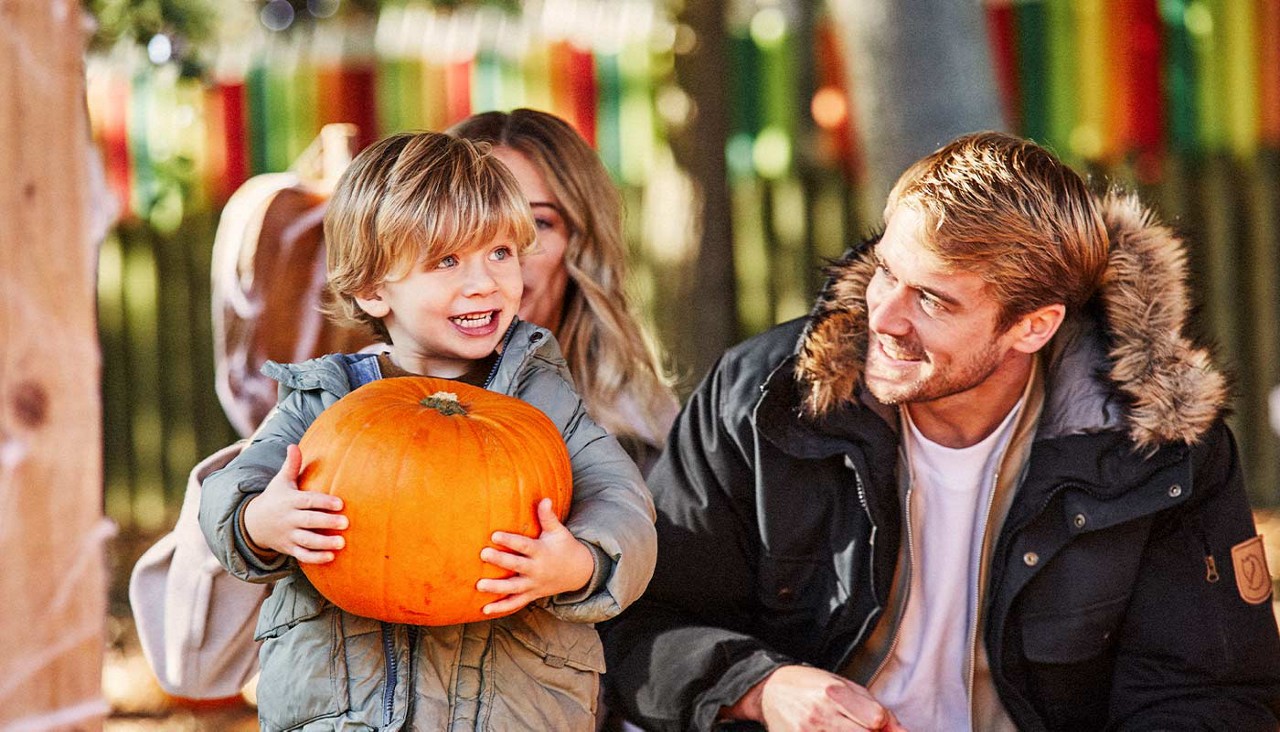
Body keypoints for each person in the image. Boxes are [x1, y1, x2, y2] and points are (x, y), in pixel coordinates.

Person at [602, 131, 1280, 731]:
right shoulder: (758, 403)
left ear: (1032, 327)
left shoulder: (1157, 449)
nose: (885, 317)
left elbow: (1207, 696)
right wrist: (759, 686)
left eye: (931, 298)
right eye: (887, 273)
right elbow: (639, 627)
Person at [129, 108, 678, 702]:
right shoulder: (338, 410)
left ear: (579, 246)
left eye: (518, 233)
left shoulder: (630, 432)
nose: (483, 276)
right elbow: (192, 667)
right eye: (445, 251)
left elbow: (657, 619)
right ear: (380, 274)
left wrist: (585, 562)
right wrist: (258, 513)